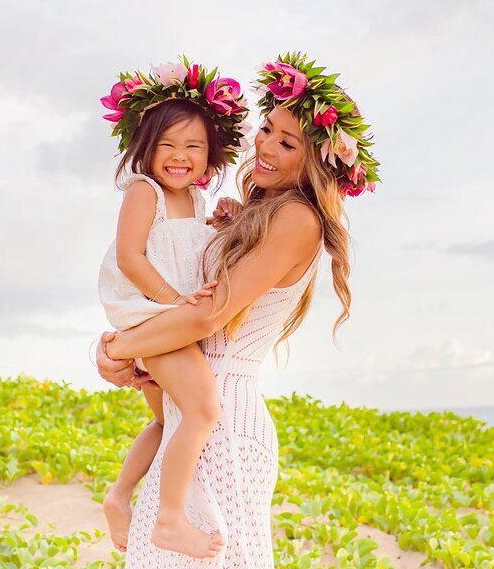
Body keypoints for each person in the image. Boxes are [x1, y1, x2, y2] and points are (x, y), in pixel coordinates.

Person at [97, 53, 379, 568]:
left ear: (314, 160)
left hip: (223, 419)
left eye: (287, 142)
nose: (266, 145)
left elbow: (206, 318)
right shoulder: (254, 212)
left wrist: (117, 347)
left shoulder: (296, 219)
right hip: (195, 412)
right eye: (267, 128)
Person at [98, 58, 250, 558]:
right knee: (204, 408)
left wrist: (225, 221)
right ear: (145, 149)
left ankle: (119, 496)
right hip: (153, 317)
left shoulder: (198, 203)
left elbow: (194, 255)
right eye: (166, 145)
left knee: (169, 422)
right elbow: (130, 256)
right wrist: (170, 302)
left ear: (210, 157)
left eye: (193, 147)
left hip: (171, 321)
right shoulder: (147, 192)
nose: (179, 156)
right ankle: (169, 519)